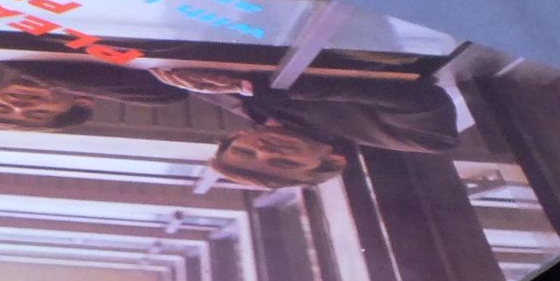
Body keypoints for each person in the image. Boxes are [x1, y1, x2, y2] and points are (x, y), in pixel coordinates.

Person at [152, 67, 461, 189]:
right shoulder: (418, 139)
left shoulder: (221, 95)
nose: (265, 151)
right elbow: (422, 101)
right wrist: (280, 89)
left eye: (245, 152)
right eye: (284, 162)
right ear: (332, 161)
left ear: (236, 136)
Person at [0, 61, 186, 130]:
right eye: (38, 113)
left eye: (0, 107)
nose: (19, 106)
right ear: (83, 103)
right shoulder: (152, 93)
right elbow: (167, 92)